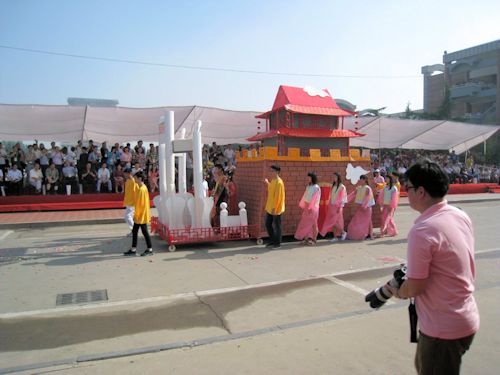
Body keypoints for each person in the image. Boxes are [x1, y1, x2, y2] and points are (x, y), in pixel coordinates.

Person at [388, 160, 479, 375]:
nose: (405, 191)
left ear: (421, 192)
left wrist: (399, 292)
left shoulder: (423, 230)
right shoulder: (459, 215)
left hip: (442, 328)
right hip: (465, 317)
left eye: (407, 187)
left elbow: (416, 286)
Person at [124, 171, 153, 256]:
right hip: (140, 214)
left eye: (136, 178)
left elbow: (141, 204)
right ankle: (133, 249)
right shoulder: (142, 187)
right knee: (135, 231)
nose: (134, 179)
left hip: (141, 215)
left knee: (144, 232)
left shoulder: (141, 189)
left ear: (140, 179)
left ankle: (150, 249)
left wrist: (136, 215)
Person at [294, 172, 321, 246]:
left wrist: (310, 207)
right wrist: (304, 206)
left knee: (314, 224)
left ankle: (314, 240)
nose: (308, 179)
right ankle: (306, 239)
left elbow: (315, 199)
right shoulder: (308, 186)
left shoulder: (316, 187)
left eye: (309, 177)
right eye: (307, 177)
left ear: (313, 178)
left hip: (313, 208)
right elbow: (305, 197)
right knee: (305, 223)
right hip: (307, 207)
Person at [320, 172, 347, 242]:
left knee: (334, 222)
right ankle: (335, 237)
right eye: (333, 177)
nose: (334, 178)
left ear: (338, 177)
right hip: (332, 206)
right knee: (333, 222)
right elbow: (331, 197)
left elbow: (343, 198)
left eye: (335, 177)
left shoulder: (342, 187)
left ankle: (343, 232)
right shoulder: (334, 186)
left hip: (337, 207)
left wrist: (340, 207)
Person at [263, 164, 285, 249]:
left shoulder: (279, 182)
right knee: (268, 224)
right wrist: (267, 183)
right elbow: (271, 189)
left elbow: (278, 197)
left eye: (272, 171)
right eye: (270, 171)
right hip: (270, 207)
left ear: (277, 172)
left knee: (277, 226)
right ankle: (272, 240)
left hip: (276, 208)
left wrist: (275, 208)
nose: (271, 172)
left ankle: (278, 243)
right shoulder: (273, 180)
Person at [346, 175, 374, 240]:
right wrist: (345, 200)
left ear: (365, 180)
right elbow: (352, 194)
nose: (360, 181)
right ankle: (368, 235)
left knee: (368, 221)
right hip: (361, 208)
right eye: (360, 179)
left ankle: (370, 235)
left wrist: (364, 206)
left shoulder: (367, 188)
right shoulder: (359, 188)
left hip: (366, 208)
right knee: (362, 221)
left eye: (362, 179)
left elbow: (367, 198)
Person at [122, 168, 137, 234]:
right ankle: (133, 230)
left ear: (129, 173)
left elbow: (136, 191)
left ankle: (134, 230)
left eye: (125, 174)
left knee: (128, 217)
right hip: (128, 201)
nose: (124, 175)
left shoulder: (133, 181)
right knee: (126, 217)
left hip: (132, 202)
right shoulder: (127, 181)